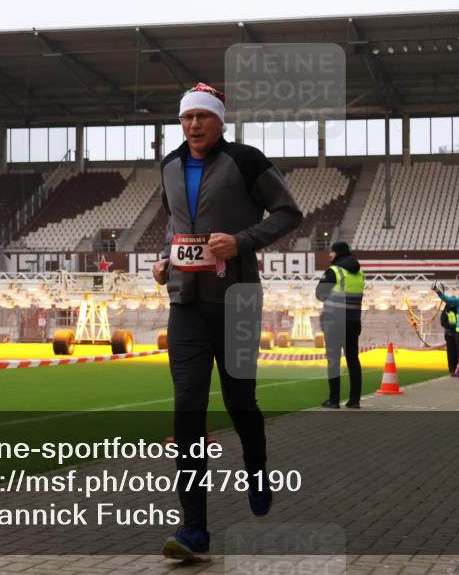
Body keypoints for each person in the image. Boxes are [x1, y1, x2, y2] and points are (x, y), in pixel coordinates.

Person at [152, 83, 303, 561]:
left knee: (240, 402)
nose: (194, 125)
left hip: (236, 300)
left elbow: (289, 212)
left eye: (203, 116)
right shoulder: (169, 165)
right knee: (188, 408)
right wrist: (164, 259)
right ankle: (194, 530)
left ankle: (256, 469)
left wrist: (241, 241)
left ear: (220, 121)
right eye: (187, 117)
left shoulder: (246, 160)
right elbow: (177, 227)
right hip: (185, 305)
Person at [315, 240, 365, 409]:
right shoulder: (360, 273)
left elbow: (320, 294)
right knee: (353, 360)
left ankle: (334, 400)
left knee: (334, 361)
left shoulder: (334, 271)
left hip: (335, 323)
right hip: (353, 322)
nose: (330, 254)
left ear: (338, 253)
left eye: (332, 252)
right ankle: (355, 400)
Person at [440, 300, 459, 376]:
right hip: (450, 335)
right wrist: (454, 326)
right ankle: (452, 370)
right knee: (451, 353)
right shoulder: (446, 312)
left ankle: (458, 369)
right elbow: (443, 323)